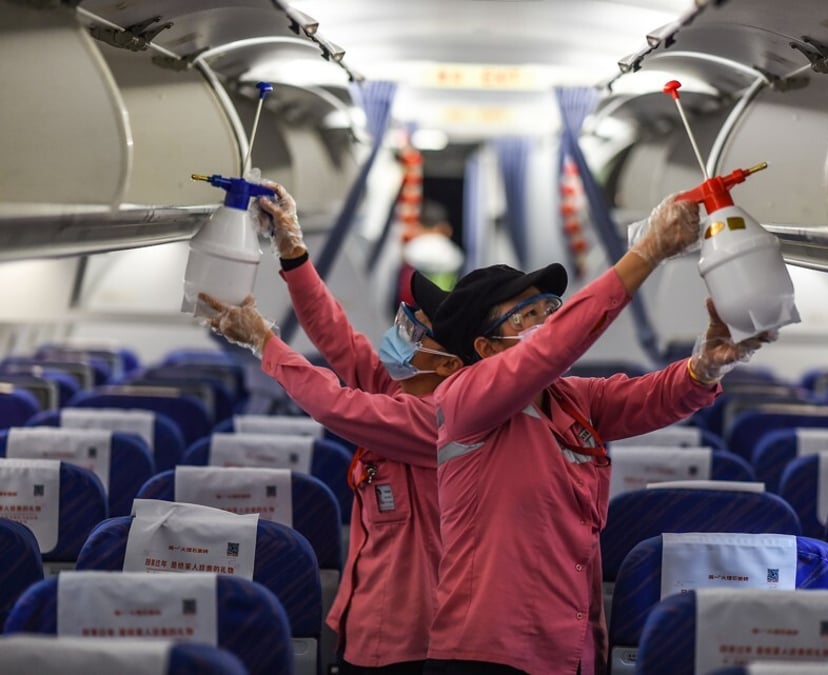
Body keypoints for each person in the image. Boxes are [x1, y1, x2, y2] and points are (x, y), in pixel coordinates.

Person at [423, 192, 778, 675]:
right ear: (484, 347)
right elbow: (552, 348)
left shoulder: (570, 398)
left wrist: (705, 367)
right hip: (488, 653)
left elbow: (649, 397)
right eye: (525, 316)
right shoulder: (464, 397)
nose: (545, 321)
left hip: (572, 647)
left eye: (548, 307)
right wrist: (647, 251)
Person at [199, 180, 463, 675]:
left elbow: (331, 403)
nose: (400, 330)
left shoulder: (437, 420)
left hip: (411, 640)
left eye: (415, 329)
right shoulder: (401, 387)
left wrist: (264, 342)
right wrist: (292, 249)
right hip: (364, 616)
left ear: (448, 364)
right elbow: (336, 334)